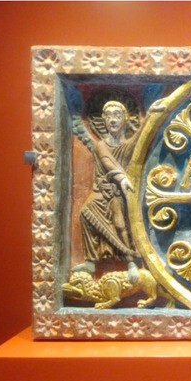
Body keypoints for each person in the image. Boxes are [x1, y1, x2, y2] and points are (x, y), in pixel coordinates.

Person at [72, 99, 165, 275]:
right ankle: (90, 262)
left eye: (117, 115)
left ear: (126, 119)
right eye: (108, 116)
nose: (112, 120)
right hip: (102, 191)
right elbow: (107, 162)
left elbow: (140, 137)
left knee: (120, 223)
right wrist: (121, 177)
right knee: (86, 212)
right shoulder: (100, 145)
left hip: (120, 193)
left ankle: (131, 262)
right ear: (103, 120)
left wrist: (150, 114)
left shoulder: (128, 145)